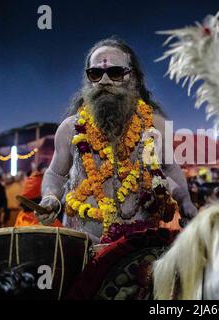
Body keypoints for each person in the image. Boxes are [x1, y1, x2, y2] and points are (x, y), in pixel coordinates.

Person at [36, 37, 197, 244]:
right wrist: (50, 197)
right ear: (88, 80)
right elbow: (56, 174)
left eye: (115, 73)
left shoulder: (155, 127)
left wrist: (185, 201)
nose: (104, 81)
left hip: (139, 246)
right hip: (83, 244)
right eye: (95, 74)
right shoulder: (70, 129)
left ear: (134, 78)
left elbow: (170, 169)